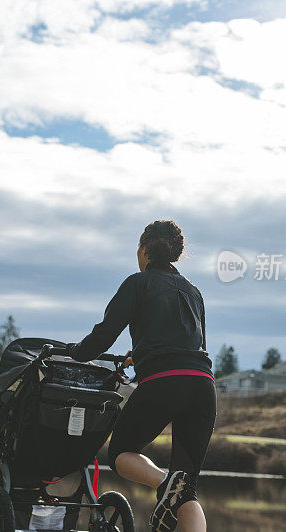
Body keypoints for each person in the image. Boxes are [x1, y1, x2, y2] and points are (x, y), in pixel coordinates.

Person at [67, 220, 216, 532]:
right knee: (188, 488)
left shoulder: (137, 282)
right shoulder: (194, 292)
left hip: (165, 382)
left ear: (145, 249)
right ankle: (176, 485)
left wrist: (75, 353)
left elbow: (104, 335)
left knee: (121, 453)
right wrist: (143, 353)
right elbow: (191, 344)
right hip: (203, 384)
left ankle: (166, 482)